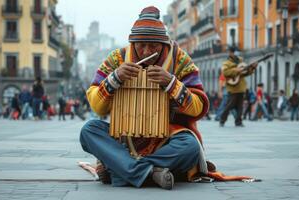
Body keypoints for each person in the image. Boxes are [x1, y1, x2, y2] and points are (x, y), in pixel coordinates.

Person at [79, 6, 211, 190]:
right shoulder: (118, 59)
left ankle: (122, 169)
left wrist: (172, 83)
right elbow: (97, 107)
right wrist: (114, 79)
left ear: (163, 44)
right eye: (141, 45)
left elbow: (198, 107)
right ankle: (151, 172)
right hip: (123, 139)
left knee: (190, 145)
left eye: (153, 46)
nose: (147, 51)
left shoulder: (180, 60)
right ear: (133, 43)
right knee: (89, 130)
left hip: (165, 140)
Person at [219, 47, 257, 127]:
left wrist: (252, 68)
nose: (232, 53)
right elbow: (225, 73)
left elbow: (245, 73)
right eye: (231, 52)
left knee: (240, 106)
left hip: (241, 87)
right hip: (232, 87)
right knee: (230, 105)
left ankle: (238, 121)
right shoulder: (226, 63)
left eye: (233, 52)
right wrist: (236, 70)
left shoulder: (241, 61)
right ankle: (222, 119)